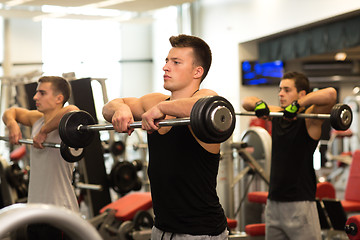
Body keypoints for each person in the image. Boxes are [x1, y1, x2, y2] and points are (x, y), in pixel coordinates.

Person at [102, 34, 228, 240]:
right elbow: (108, 107)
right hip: (160, 229)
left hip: (200, 233)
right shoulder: (155, 100)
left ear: (197, 71)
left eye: (176, 62)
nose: (166, 67)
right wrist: (121, 109)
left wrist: (161, 108)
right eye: (167, 61)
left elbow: (204, 105)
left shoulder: (206, 100)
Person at [242, 71, 337, 240]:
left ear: (301, 93)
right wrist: (259, 104)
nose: (280, 93)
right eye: (280, 89)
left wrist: (298, 105)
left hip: (300, 205)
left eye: (286, 90)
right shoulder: (278, 113)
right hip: (274, 203)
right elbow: (246, 102)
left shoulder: (310, 119)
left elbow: (330, 94)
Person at [2, 76, 80, 240]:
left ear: (59, 98)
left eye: (42, 93)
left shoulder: (67, 125)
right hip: (35, 213)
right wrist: (12, 125)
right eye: (37, 92)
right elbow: (11, 112)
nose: (35, 97)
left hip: (59, 214)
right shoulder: (36, 118)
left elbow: (72, 109)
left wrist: (44, 132)